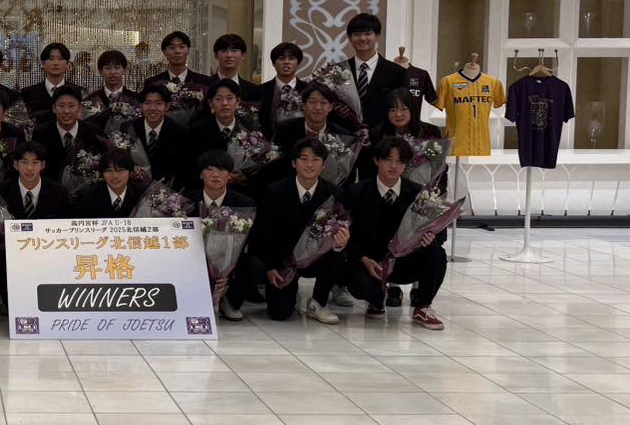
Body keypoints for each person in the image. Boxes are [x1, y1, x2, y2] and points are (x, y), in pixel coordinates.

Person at [344, 136, 448, 331]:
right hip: (370, 262)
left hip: (405, 261)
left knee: (436, 253)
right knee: (359, 284)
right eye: (388, 160)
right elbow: (346, 235)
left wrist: (431, 238)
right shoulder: (356, 192)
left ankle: (423, 306)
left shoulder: (418, 193)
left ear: (406, 165)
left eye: (400, 161)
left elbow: (440, 233)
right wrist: (363, 258)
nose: (393, 166)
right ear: (376, 160)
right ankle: (376, 299)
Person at [253, 137, 348, 325]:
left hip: (317, 259)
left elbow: (339, 229)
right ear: (293, 163)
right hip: (283, 261)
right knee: (279, 312)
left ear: (323, 165)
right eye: (304, 159)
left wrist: (341, 242)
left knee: (338, 252)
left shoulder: (334, 193)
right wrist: (270, 267)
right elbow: (261, 234)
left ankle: (318, 302)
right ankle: (291, 294)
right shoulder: (274, 191)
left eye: (316, 160)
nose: (309, 165)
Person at [0, 141, 70, 305]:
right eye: (24, 162)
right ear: (16, 165)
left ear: (42, 165)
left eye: (35, 163)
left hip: (47, 251)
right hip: (10, 252)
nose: (29, 168)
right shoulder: (0, 190)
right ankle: (10, 299)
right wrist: (4, 245)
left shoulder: (58, 192)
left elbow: (65, 225)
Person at [187, 149, 261, 322]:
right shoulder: (186, 202)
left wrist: (228, 272)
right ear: (201, 174)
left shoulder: (244, 204)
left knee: (254, 264)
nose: (215, 175)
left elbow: (248, 243)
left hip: (229, 262)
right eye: (209, 169)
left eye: (221, 170)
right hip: (193, 261)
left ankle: (230, 302)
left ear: (229, 175)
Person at [362, 88, 443, 187]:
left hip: (421, 189)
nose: (398, 114)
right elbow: (370, 169)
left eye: (404, 109)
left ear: (412, 109)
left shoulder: (430, 131)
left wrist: (437, 190)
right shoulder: (377, 134)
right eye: (392, 110)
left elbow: (439, 167)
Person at [185, 79, 250, 188]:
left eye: (229, 98)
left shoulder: (250, 128)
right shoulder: (196, 131)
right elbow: (190, 168)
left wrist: (244, 176)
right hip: (206, 189)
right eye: (218, 99)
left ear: (238, 101)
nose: (224, 103)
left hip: (241, 189)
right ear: (210, 103)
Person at [345, 12, 406, 128]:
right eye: (357, 34)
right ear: (349, 38)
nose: (362, 38)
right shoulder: (338, 71)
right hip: (346, 135)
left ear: (377, 35)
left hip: (383, 136)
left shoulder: (397, 72)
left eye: (368, 33)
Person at [31, 85, 104, 180]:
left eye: (71, 106)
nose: (66, 111)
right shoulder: (40, 133)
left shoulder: (93, 131)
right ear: (54, 108)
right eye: (61, 106)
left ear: (79, 108)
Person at [128, 83, 191, 187]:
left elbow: (185, 169)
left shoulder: (181, 133)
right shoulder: (130, 129)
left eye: (158, 103)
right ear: (141, 106)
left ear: (167, 106)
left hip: (169, 189)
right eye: (147, 103)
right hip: (135, 187)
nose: (152, 108)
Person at [72, 146, 145, 217]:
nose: (115, 176)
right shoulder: (88, 197)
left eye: (120, 170)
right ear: (102, 173)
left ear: (130, 172)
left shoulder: (142, 193)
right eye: (109, 171)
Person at [257, 41, 307, 138]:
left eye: (291, 58)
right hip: (267, 143)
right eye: (281, 58)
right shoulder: (259, 91)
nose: (286, 62)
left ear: (298, 63)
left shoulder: (307, 89)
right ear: (273, 63)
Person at [20, 41, 83, 116]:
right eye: (51, 58)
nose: (55, 63)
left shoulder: (79, 92)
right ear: (43, 63)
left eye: (60, 59)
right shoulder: (27, 93)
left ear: (67, 64)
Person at [84, 49, 143, 124]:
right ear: (100, 71)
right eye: (108, 68)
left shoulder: (136, 99)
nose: (113, 72)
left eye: (117, 67)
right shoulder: (90, 100)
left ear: (124, 70)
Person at [147, 30, 214, 96]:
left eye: (182, 47)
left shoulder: (204, 82)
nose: (177, 51)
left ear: (188, 50)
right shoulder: (153, 83)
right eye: (172, 47)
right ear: (164, 52)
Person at [211, 34, 264, 110]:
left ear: (243, 55)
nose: (229, 55)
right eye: (224, 51)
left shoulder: (253, 90)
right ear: (216, 55)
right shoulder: (206, 85)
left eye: (234, 51)